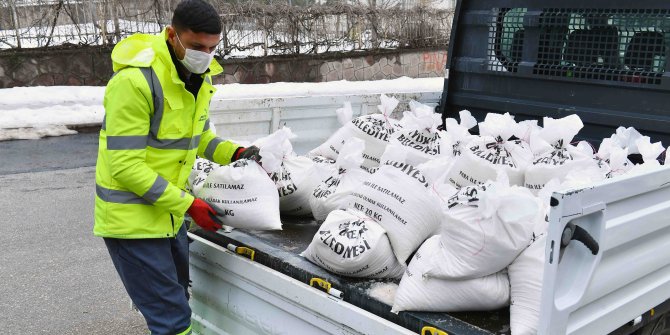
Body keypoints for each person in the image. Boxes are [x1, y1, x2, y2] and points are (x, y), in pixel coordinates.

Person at [93, 1, 260, 334]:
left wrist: (236, 152)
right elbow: (125, 166)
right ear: (173, 35)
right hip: (132, 222)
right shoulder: (135, 82)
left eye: (212, 48)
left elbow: (198, 139)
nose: (205, 55)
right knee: (172, 320)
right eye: (197, 46)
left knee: (177, 302)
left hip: (166, 216)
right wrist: (190, 204)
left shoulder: (197, 77)